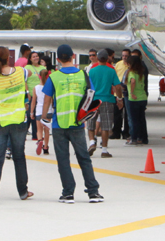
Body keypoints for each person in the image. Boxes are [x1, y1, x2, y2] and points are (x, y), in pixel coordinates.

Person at [41, 44, 103, 204]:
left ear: (58, 59)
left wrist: (43, 117)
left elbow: (47, 99)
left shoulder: (53, 77)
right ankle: (93, 192)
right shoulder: (83, 75)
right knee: (84, 158)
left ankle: (68, 193)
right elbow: (92, 94)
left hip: (59, 124)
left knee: (63, 160)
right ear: (72, 57)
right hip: (78, 124)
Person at [0, 46, 34, 205]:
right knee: (19, 156)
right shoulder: (20, 72)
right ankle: (23, 192)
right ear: (8, 58)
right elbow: (29, 73)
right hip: (18, 121)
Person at [87, 49, 121, 158]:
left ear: (97, 58)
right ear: (107, 59)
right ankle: (104, 150)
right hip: (107, 99)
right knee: (106, 126)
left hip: (93, 100)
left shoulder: (92, 70)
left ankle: (92, 142)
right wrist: (119, 98)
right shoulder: (111, 71)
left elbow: (87, 86)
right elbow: (118, 86)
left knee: (91, 123)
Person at [125, 51, 149, 145]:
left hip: (134, 98)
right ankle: (143, 138)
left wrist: (131, 92)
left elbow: (133, 81)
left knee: (134, 119)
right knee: (141, 119)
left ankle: (134, 138)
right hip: (142, 97)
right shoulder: (141, 72)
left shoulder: (131, 72)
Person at [31, 64, 52, 155]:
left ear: (39, 76)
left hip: (39, 110)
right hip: (48, 111)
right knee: (46, 130)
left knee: (39, 129)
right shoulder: (50, 87)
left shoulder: (36, 88)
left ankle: (40, 140)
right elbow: (51, 100)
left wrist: (31, 112)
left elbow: (33, 101)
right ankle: (46, 147)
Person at [25, 50, 44, 141]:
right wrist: (27, 92)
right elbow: (24, 81)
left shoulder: (43, 68)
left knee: (37, 115)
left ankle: (36, 135)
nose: (36, 58)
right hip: (31, 95)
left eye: (37, 56)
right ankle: (24, 133)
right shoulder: (27, 67)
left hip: (40, 95)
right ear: (30, 59)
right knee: (29, 114)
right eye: (34, 56)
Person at [111, 49, 131, 139]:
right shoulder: (118, 64)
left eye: (126, 56)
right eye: (123, 56)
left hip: (128, 93)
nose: (124, 57)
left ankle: (126, 132)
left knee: (127, 114)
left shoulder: (131, 65)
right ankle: (116, 132)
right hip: (118, 93)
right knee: (117, 114)